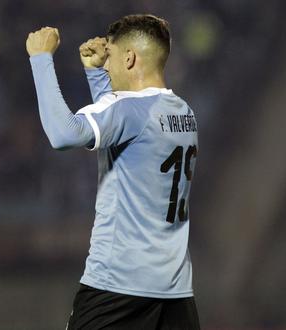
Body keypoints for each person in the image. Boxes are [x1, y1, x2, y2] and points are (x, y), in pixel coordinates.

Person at [26, 14, 200, 329]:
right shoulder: (183, 113)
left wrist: (40, 58)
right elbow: (121, 133)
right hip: (174, 290)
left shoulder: (128, 110)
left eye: (112, 58)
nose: (108, 66)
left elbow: (63, 134)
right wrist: (95, 76)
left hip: (117, 287)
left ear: (130, 58)